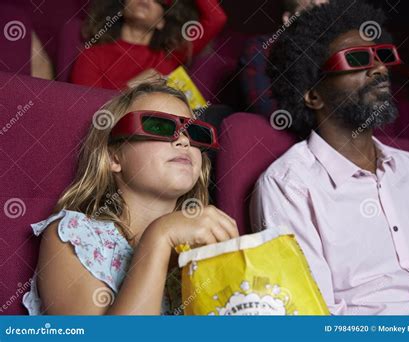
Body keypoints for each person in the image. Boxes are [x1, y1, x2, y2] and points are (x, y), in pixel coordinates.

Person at [250, 0, 409, 315]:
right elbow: (312, 312)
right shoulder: (288, 185)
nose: (380, 68)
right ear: (312, 94)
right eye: (355, 59)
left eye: (382, 56)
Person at [23, 79, 238, 315]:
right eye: (159, 126)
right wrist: (159, 236)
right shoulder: (73, 235)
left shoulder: (202, 247)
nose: (184, 140)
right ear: (114, 158)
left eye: (194, 132)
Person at [71, 0, 227, 90]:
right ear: (122, 9)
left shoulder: (170, 55)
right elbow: (87, 108)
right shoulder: (91, 54)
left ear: (161, 22)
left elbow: (216, 18)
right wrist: (133, 87)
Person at [238, 0, 328, 116]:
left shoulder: (341, 46)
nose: (322, 19)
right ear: (288, 19)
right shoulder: (261, 48)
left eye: (328, 9)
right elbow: (265, 108)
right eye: (311, 11)